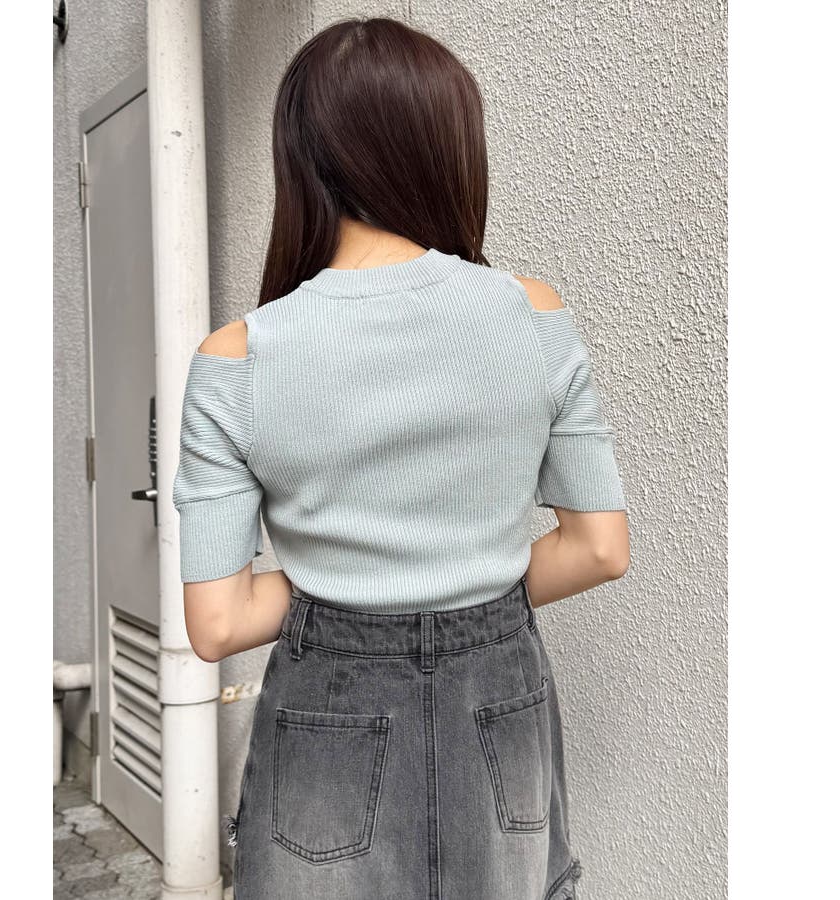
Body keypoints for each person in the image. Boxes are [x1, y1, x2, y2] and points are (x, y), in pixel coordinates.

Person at [172, 15, 629, 900]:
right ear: (447, 150)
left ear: (298, 158)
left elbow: (218, 624)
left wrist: (350, 581)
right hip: (500, 701)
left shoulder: (236, 358)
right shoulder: (534, 316)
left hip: (326, 710)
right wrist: (460, 570)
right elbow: (600, 548)